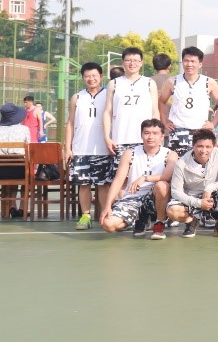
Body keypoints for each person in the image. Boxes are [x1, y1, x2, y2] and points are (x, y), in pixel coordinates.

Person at [99, 119, 176, 238]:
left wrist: (145, 178)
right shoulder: (130, 153)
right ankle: (139, 218)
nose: (150, 137)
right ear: (141, 135)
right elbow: (118, 180)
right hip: (133, 198)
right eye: (147, 133)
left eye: (155, 133)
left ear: (162, 136)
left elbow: (166, 177)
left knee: (162, 185)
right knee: (108, 225)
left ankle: (159, 223)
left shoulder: (170, 154)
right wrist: (107, 205)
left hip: (155, 199)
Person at [165, 129, 218, 238]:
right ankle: (191, 221)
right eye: (200, 146)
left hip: (211, 196)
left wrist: (210, 188)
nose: (204, 150)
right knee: (172, 211)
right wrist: (199, 203)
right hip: (191, 198)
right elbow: (176, 192)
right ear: (193, 146)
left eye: (208, 147)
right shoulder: (181, 163)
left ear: (214, 146)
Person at [65, 62, 113, 230]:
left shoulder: (108, 95)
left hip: (103, 149)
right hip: (80, 149)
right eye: (87, 76)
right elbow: (70, 123)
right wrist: (68, 148)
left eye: (94, 75)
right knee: (83, 184)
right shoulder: (77, 97)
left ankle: (106, 215)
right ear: (83, 78)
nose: (91, 79)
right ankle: (85, 216)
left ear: (101, 76)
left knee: (103, 184)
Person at [158, 46, 218, 155]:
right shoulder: (172, 82)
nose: (189, 64)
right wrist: (165, 121)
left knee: (200, 163)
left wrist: (213, 123)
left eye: (193, 61)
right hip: (178, 131)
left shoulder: (209, 82)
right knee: (176, 163)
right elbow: (161, 101)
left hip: (200, 131)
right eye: (186, 61)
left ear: (200, 64)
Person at [102, 47, 160, 166]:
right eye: (128, 60)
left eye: (136, 60)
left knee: (144, 175)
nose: (132, 63)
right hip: (120, 140)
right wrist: (107, 137)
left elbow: (155, 111)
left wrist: (156, 135)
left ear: (141, 63)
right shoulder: (114, 84)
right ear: (123, 62)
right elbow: (108, 112)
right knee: (120, 175)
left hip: (145, 140)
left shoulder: (149, 83)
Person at [0, 103, 31, 217]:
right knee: (28, 175)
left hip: (1, 170)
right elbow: (29, 149)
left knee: (10, 172)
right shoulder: (24, 129)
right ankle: (23, 207)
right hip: (20, 169)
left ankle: (11, 205)